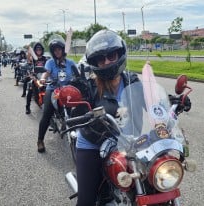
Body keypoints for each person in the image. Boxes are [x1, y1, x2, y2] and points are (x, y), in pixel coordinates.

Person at [75, 29, 140, 206]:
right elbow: (78, 107)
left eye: (111, 55)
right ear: (94, 62)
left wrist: (173, 102)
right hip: (93, 143)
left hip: (127, 141)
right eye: (101, 59)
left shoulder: (131, 80)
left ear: (120, 54)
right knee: (86, 200)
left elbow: (151, 99)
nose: (107, 62)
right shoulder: (90, 85)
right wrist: (79, 110)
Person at [37, 35, 78, 153]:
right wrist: (43, 79)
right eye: (54, 50)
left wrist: (83, 77)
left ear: (63, 49)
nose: (57, 51)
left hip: (68, 90)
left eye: (59, 49)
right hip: (54, 89)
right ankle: (40, 140)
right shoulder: (50, 63)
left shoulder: (70, 62)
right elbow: (46, 73)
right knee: (47, 113)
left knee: (79, 110)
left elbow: (78, 73)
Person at [23, 43, 47, 114]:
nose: (38, 50)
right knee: (30, 89)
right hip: (35, 76)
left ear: (42, 50)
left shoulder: (45, 58)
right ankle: (27, 107)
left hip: (43, 76)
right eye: (37, 49)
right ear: (35, 50)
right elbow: (28, 58)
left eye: (40, 49)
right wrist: (29, 49)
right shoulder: (33, 58)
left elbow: (48, 67)